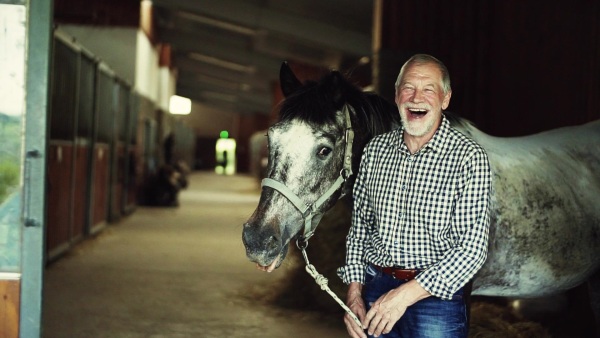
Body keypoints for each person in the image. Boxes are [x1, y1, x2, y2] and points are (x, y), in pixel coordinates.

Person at [337, 54, 492, 338]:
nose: (416, 97)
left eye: (429, 89)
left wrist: (405, 295)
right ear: (397, 96)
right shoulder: (375, 151)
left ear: (445, 99)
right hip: (374, 290)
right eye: (408, 88)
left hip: (435, 299)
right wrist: (355, 291)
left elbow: (472, 249)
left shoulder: (469, 158)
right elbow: (360, 229)